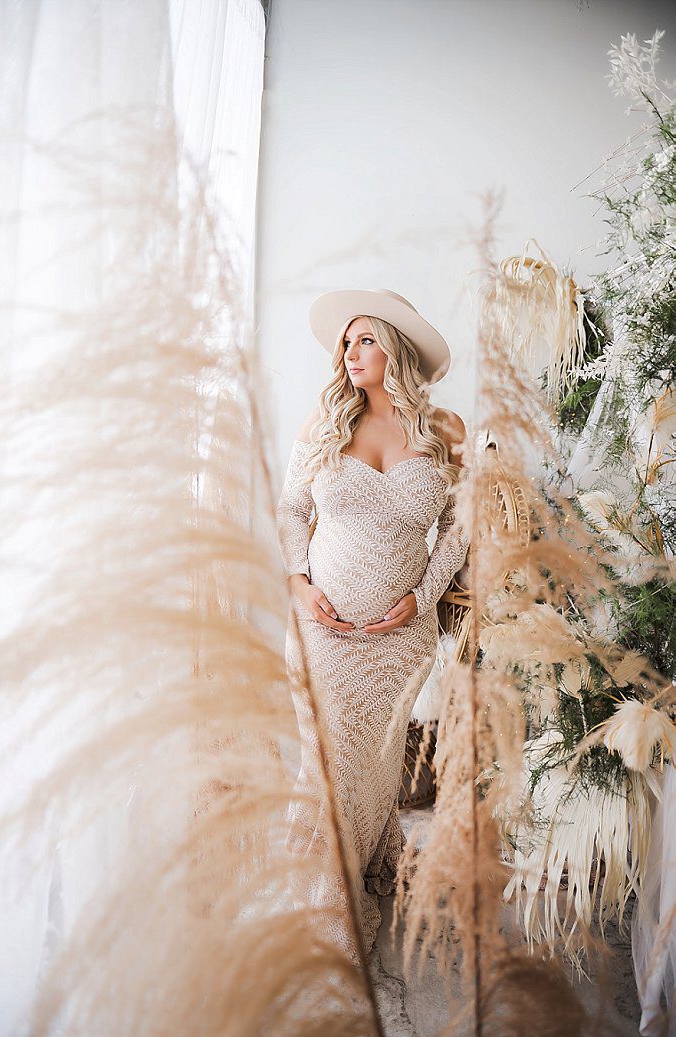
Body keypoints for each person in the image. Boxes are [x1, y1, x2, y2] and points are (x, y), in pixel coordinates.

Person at [275, 288, 469, 965]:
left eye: (366, 340)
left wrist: (423, 597)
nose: (351, 353)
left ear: (397, 350)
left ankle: (365, 861)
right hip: (322, 630)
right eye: (347, 342)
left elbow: (458, 528)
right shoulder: (327, 421)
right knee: (331, 762)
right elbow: (292, 507)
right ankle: (328, 900)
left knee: (377, 766)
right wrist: (298, 583)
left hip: (400, 639)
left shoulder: (444, 430)